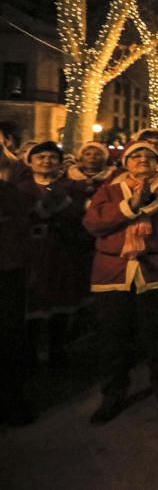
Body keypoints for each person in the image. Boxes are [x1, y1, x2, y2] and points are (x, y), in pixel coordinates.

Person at [83, 140, 158, 423]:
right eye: (136, 155)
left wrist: (151, 202)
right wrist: (129, 206)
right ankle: (113, 393)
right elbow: (93, 222)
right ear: (126, 162)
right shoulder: (108, 190)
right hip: (114, 274)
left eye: (149, 155)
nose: (143, 159)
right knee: (113, 337)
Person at [19, 141, 89, 367]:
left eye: (52, 157)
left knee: (60, 295)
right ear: (30, 162)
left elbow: (78, 216)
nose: (46, 161)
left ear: (60, 163)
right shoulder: (20, 188)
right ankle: (29, 351)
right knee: (32, 299)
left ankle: (57, 349)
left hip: (61, 249)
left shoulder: (72, 187)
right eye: (40, 157)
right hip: (30, 250)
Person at [0, 173, 34, 425]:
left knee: (9, 338)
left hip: (7, 272)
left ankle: (12, 400)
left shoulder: (9, 192)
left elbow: (21, 225)